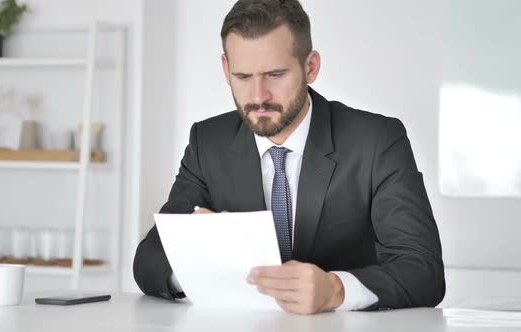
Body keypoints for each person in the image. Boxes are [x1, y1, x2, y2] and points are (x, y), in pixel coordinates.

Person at [133, 0, 445, 315]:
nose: (258, 96)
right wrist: (205, 263)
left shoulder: (377, 140)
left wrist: (336, 289)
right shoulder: (207, 142)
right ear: (226, 70)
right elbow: (149, 261)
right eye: (242, 77)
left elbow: (423, 271)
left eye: (275, 74)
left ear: (310, 67)